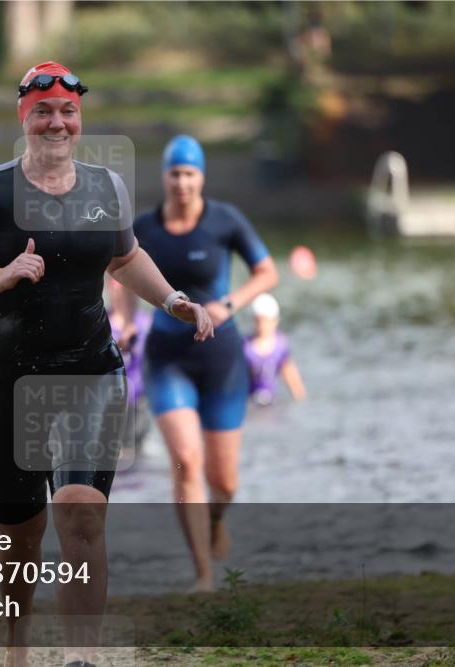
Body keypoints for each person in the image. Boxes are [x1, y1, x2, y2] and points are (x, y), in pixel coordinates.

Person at [0, 62, 212, 667]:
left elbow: (124, 258)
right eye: (43, 112)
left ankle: (80, 657)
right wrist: (3, 275)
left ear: (79, 119)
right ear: (23, 118)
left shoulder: (106, 188)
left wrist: (173, 300)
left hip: (89, 372)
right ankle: (18, 645)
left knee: (81, 512)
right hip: (0, 381)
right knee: (22, 533)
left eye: (68, 112)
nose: (57, 123)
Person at [127, 135, 279, 592]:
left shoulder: (224, 220)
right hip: (167, 357)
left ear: (202, 177)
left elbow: (268, 272)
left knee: (224, 482)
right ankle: (204, 575)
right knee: (186, 461)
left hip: (221, 360)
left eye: (189, 173)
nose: (182, 182)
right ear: (164, 176)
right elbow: (120, 272)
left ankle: (215, 519)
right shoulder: (144, 228)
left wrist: (229, 305)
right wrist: (124, 321)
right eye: (174, 173)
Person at [106, 278, 153, 465]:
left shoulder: (146, 323)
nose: (119, 292)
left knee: (135, 458)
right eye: (115, 285)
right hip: (109, 404)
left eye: (124, 286)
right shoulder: (101, 321)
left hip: (138, 402)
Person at [244, 293, 307, 405]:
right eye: (259, 321)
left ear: (275, 321)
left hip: (272, 402)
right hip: (251, 402)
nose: (262, 325)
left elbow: (291, 376)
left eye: (266, 320)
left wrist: (301, 401)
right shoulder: (245, 347)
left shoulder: (280, 346)